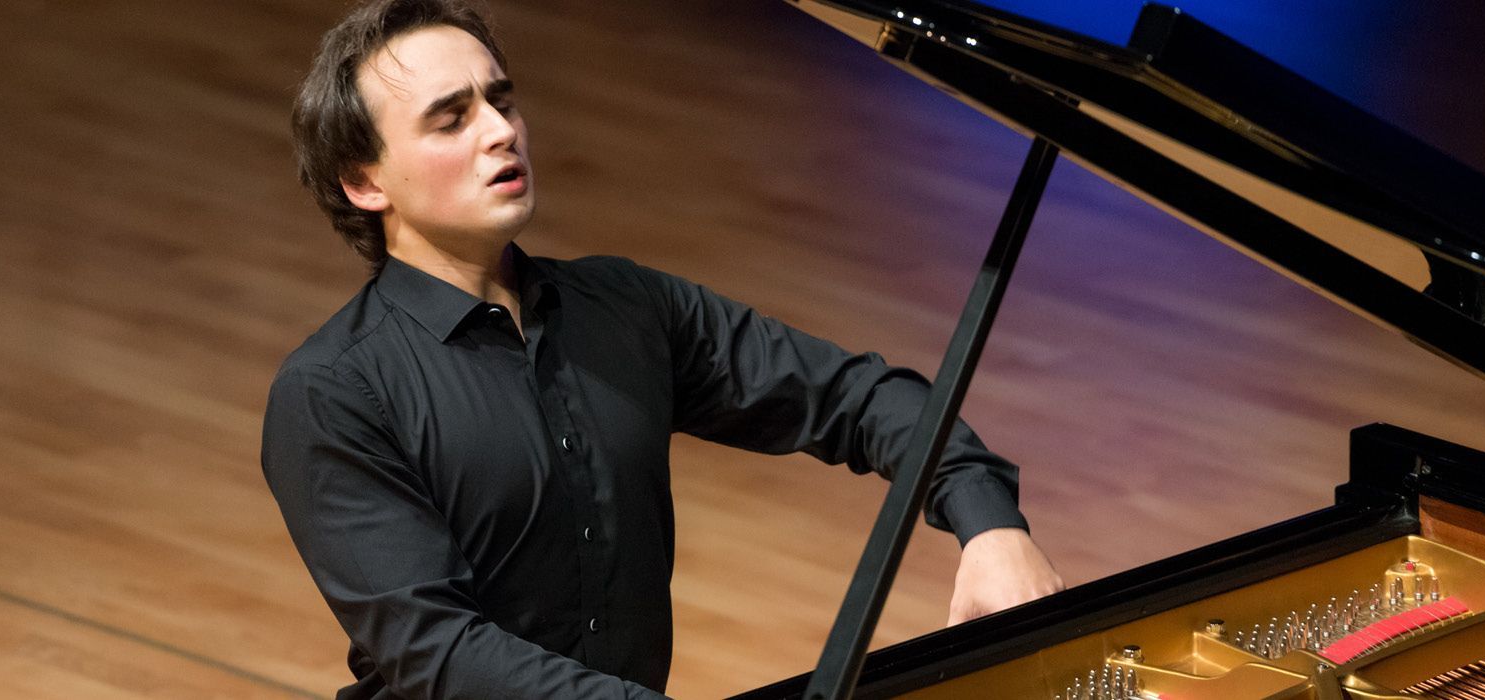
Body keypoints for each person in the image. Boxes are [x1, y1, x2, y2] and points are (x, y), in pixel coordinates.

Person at [261, 1, 1064, 698]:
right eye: (451, 119)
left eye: (500, 101)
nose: (501, 132)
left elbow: (857, 398)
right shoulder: (334, 393)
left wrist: (989, 522)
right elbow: (440, 655)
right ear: (364, 182)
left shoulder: (624, 308)